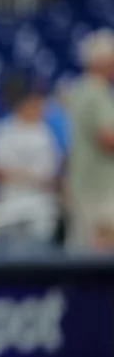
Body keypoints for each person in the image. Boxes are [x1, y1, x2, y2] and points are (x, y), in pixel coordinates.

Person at [0, 74, 61, 244]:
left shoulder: (45, 133)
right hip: (12, 199)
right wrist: (30, 177)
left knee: (41, 245)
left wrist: (22, 176)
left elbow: (50, 173)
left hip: (40, 202)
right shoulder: (3, 131)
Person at [64, 29, 114, 253]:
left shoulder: (78, 89)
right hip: (99, 190)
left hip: (82, 186)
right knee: (100, 255)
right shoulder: (97, 92)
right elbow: (107, 139)